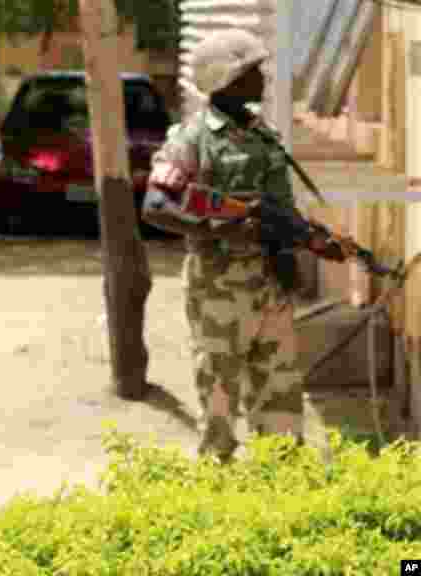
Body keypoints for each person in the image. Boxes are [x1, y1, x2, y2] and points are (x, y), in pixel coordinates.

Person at [142, 29, 337, 461]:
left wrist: (299, 249)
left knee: (282, 405)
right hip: (218, 291)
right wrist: (220, 228)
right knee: (219, 409)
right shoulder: (191, 139)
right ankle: (223, 506)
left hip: (271, 287)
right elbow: (156, 206)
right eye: (253, 71)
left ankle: (281, 497)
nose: (262, 77)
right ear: (226, 79)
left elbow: (280, 210)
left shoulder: (262, 135)